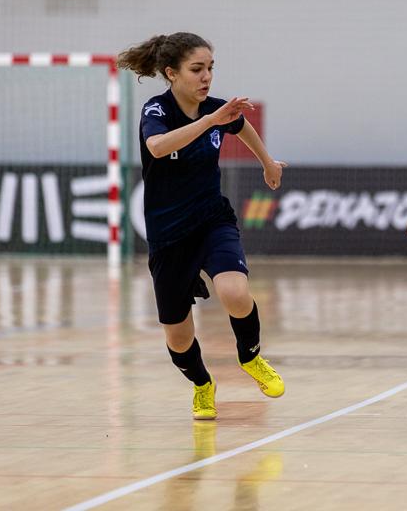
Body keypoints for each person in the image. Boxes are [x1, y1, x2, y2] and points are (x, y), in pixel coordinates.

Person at [118, 32, 286, 420]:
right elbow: (157, 147)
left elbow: (240, 126)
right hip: (168, 235)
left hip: (212, 219)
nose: (206, 76)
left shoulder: (216, 110)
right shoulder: (156, 110)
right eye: (197, 69)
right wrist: (211, 120)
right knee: (178, 337)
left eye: (210, 67)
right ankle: (202, 384)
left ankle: (251, 357)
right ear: (171, 73)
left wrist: (267, 162)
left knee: (235, 291)